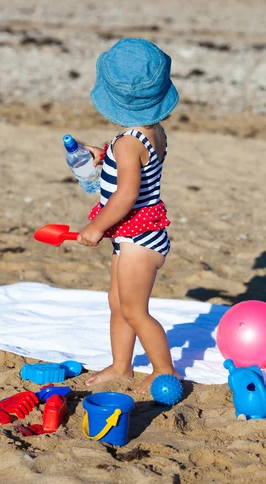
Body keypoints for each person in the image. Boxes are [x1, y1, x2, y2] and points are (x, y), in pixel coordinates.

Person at [77, 37, 180, 392]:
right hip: (133, 235)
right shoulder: (149, 133)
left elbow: (126, 194)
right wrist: (103, 155)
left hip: (138, 240)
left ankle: (164, 369)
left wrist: (96, 226)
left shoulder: (127, 143)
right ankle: (122, 366)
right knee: (117, 303)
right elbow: (134, 163)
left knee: (135, 311)